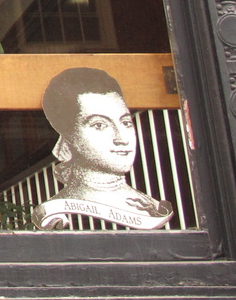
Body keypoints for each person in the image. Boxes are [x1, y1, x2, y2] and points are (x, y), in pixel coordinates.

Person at [40, 67, 171, 219]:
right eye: (99, 125)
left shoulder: (152, 207)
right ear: (68, 136)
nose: (121, 138)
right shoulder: (58, 210)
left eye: (126, 123)